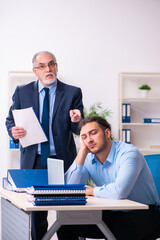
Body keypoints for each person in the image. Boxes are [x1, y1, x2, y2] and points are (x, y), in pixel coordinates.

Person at [5, 51, 84, 240]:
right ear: (35, 71)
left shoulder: (73, 92)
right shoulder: (22, 91)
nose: (47, 69)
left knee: (67, 211)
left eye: (51, 64)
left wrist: (77, 120)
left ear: (57, 66)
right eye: (42, 66)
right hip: (35, 161)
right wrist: (13, 131)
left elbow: (78, 128)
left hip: (63, 160)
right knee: (37, 214)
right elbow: (10, 120)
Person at [57, 116, 160, 240]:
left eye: (93, 133)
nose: (89, 140)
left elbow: (119, 191)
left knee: (124, 227)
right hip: (113, 212)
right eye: (84, 137)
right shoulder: (89, 158)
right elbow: (68, 189)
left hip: (145, 212)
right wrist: (82, 152)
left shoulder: (129, 153)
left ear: (107, 133)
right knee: (65, 224)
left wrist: (90, 191)